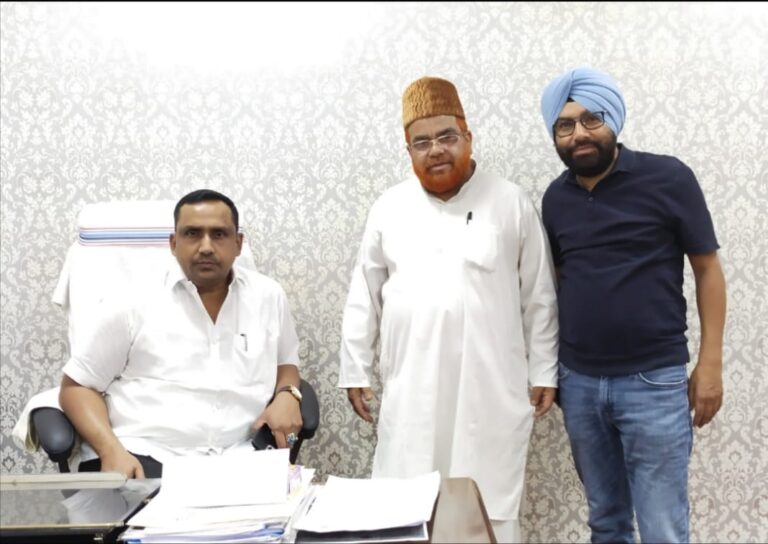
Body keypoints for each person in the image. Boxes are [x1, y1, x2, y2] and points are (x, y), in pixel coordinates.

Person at [338, 76, 559, 542]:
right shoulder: (389, 207)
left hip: (489, 386)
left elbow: (539, 294)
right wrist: (354, 369)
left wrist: (545, 370)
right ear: (409, 150)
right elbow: (365, 293)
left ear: (467, 136)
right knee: (405, 503)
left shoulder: (510, 201)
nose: (435, 150)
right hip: (412, 385)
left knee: (488, 504)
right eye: (422, 142)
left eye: (446, 136)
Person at [539, 67, 726, 543]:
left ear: (614, 120)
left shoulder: (668, 177)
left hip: (654, 381)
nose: (579, 133)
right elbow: (558, 282)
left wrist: (710, 364)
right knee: (606, 521)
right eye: (565, 125)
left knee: (662, 527)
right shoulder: (555, 198)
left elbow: (707, 269)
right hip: (579, 383)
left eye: (592, 119)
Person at [59, 189, 304, 478]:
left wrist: (288, 394)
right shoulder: (130, 299)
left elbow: (285, 362)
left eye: (219, 234)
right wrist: (110, 450)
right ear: (174, 243)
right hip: (145, 457)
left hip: (241, 456)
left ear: (238, 244)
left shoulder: (269, 296)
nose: (206, 247)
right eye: (192, 234)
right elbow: (77, 387)